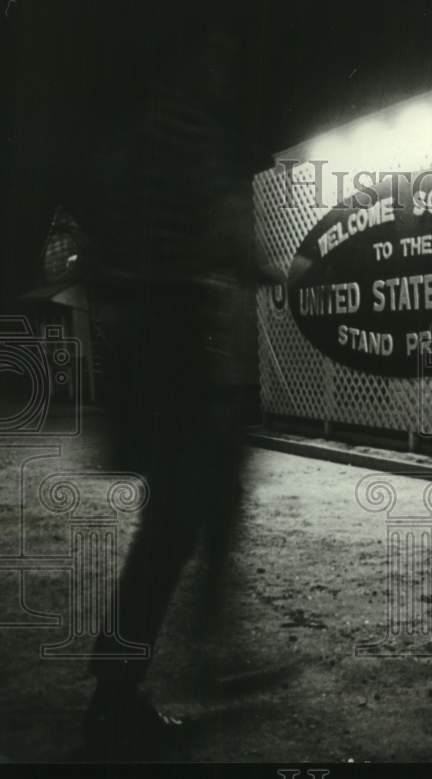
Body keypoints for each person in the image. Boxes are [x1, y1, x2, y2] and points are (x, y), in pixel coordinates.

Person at [3, 2, 269, 757]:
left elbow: (104, 235)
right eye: (217, 48)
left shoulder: (133, 136)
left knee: (177, 509)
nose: (225, 63)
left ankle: (133, 676)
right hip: (174, 340)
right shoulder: (189, 129)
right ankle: (137, 682)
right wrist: (271, 267)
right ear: (199, 55)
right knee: (184, 509)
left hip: (145, 342)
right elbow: (224, 235)